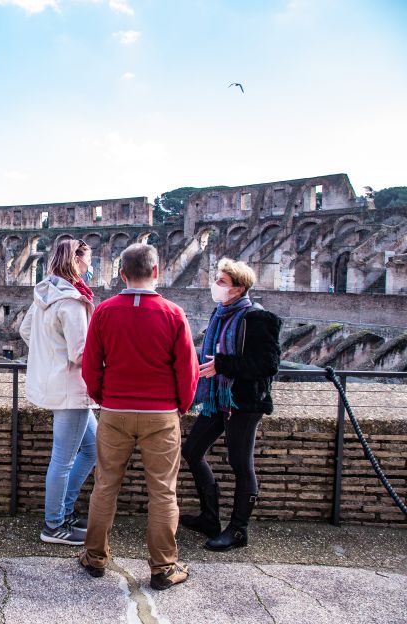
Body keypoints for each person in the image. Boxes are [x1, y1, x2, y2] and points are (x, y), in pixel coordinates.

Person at [79, 243, 199, 590]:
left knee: (105, 486)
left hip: (115, 411)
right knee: (163, 492)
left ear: (122, 274)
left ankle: (95, 557)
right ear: (157, 272)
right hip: (160, 413)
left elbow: (90, 365)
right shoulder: (174, 313)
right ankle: (163, 568)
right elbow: (187, 370)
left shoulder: (104, 311)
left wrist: (105, 397)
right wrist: (181, 406)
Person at [180, 258, 282, 551]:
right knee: (192, 450)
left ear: (238, 288)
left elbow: (268, 364)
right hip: (216, 399)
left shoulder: (259, 319)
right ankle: (210, 519)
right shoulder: (220, 314)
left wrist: (223, 365)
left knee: (240, 465)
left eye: (222, 282)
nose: (216, 286)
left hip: (243, 402)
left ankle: (238, 531)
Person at [20, 239, 97, 545]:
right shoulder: (72, 301)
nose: (91, 266)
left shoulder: (45, 292)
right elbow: (81, 353)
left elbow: (26, 330)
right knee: (63, 460)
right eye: (88, 260)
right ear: (77, 262)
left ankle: (64, 512)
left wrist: (50, 357)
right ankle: (54, 525)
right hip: (72, 388)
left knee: (92, 449)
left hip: (58, 384)